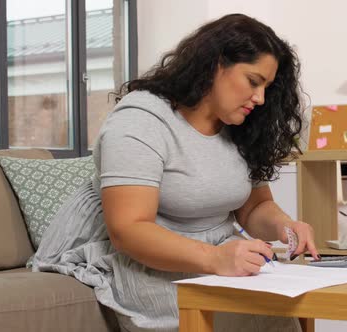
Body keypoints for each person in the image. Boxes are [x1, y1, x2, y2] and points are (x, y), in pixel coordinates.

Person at [33, 13, 319, 332]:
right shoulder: (141, 120)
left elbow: (253, 207)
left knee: (278, 312)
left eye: (266, 87)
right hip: (142, 248)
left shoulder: (242, 127)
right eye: (253, 81)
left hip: (212, 247)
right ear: (215, 64)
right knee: (224, 314)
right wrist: (215, 259)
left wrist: (285, 225)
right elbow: (128, 229)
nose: (260, 98)